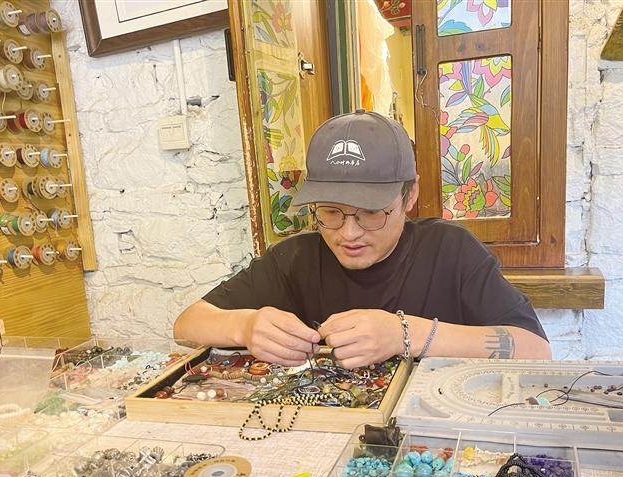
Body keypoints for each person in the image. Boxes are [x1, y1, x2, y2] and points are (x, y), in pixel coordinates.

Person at [174, 110, 551, 368]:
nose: (348, 233)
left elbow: (536, 350)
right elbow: (187, 324)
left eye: (371, 212)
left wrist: (405, 334)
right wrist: (246, 326)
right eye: (330, 212)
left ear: (410, 195)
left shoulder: (451, 251)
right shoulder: (294, 259)